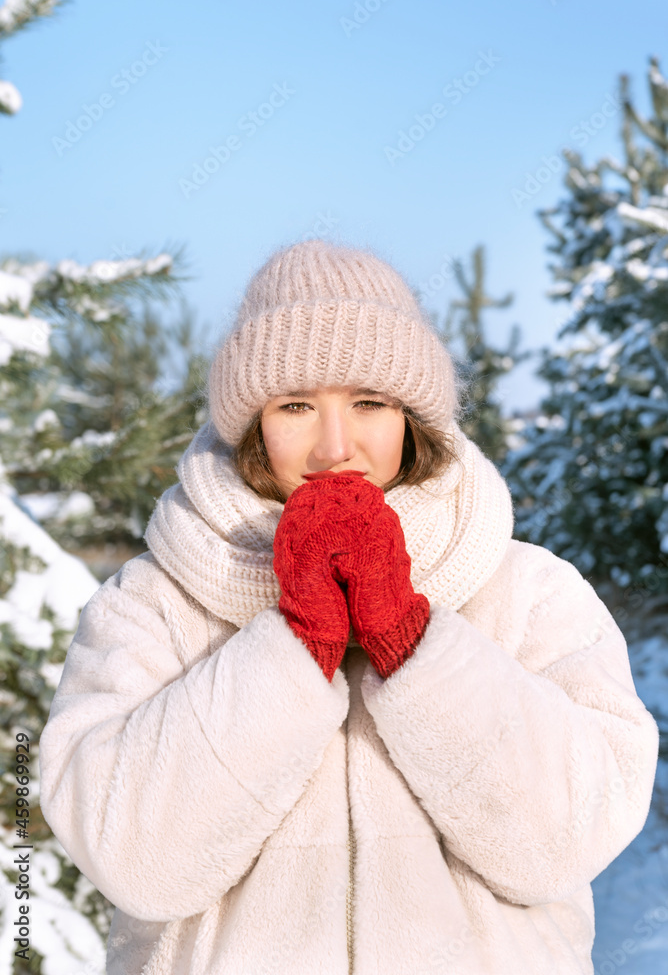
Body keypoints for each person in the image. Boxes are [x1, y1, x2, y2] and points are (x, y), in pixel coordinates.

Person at [39, 239, 659, 975]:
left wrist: (410, 641)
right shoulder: (153, 599)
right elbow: (134, 859)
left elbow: (571, 838)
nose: (335, 448)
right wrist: (294, 648)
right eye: (296, 405)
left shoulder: (531, 590)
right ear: (253, 424)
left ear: (412, 418)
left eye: (369, 402)